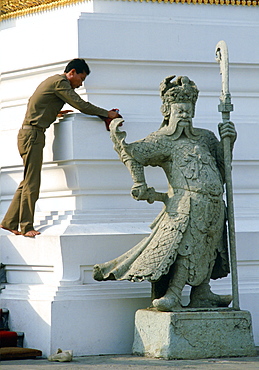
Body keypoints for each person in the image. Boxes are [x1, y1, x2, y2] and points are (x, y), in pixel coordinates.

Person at [93, 75, 237, 311]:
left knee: (209, 249)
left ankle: (203, 293)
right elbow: (133, 153)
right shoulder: (163, 140)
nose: (185, 114)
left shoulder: (206, 137)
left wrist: (228, 142)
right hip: (186, 204)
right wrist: (139, 182)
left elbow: (223, 172)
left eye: (189, 110)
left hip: (213, 205)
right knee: (185, 249)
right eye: (180, 109)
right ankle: (173, 294)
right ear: (167, 110)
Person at [0, 58, 120, 238]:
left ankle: (9, 222)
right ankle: (26, 227)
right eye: (81, 79)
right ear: (72, 72)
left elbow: (36, 101)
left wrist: (52, 112)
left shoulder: (53, 81)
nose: (80, 84)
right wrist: (106, 114)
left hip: (29, 134)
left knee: (27, 181)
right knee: (32, 183)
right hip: (33, 136)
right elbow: (80, 104)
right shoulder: (61, 83)